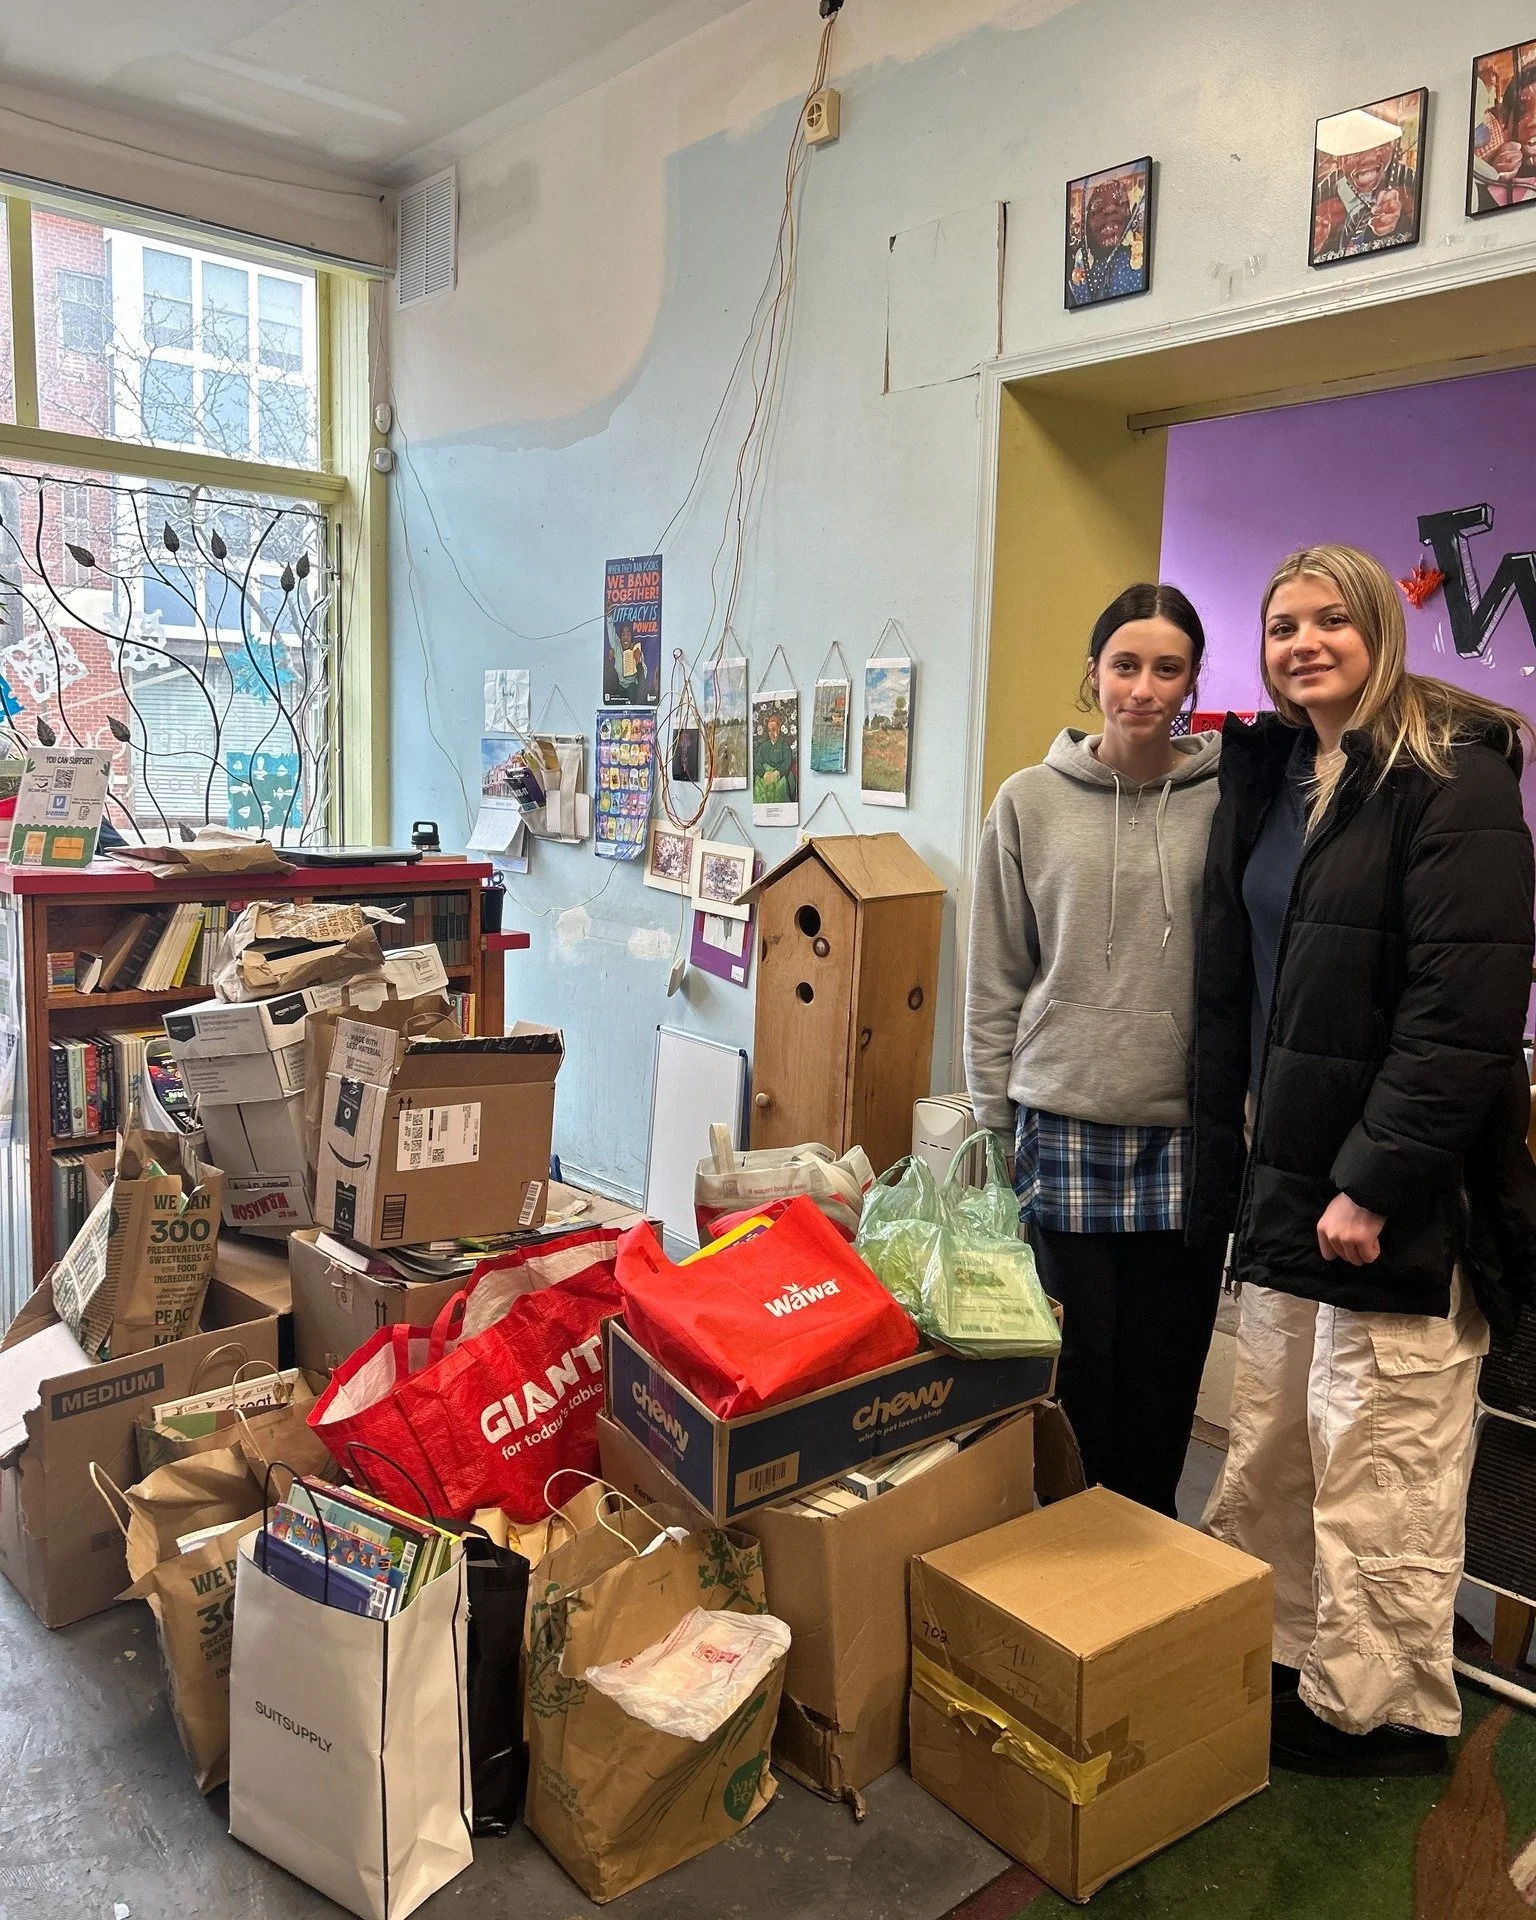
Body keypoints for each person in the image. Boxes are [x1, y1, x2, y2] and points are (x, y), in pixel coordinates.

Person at [1188, 544, 1536, 1778]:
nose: (1304, 643)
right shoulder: (1293, 774)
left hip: (1394, 1199)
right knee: (1280, 1441)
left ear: (1382, 627)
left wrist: (1374, 1181)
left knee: (1383, 1456)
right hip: (1292, 1181)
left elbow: (1467, 1010)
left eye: (1333, 619)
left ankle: (1383, 1712)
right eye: (1283, 625)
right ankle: (1296, 1659)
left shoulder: (1453, 778)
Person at [965, 583, 1225, 1517]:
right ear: (1093, 674)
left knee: (1164, 1373)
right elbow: (996, 973)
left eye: (1168, 667)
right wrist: (990, 1120)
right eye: (1125, 665)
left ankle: (1143, 1567)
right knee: (1077, 1367)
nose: (1144, 688)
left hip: (1185, 1129)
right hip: (1062, 1116)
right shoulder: (1027, 801)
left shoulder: (1229, 801)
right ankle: (1065, 1554)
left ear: (1194, 679)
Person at [1067, 175, 1144, 304]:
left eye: (1119, 204)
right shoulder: (1082, 264)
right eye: (1097, 209)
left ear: (1128, 212)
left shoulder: (1137, 258)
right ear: (1088, 221)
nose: (1109, 211)